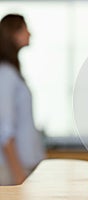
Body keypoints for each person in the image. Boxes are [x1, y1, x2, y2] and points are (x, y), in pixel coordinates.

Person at [0, 14, 45, 185]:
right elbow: (5, 129)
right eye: (25, 28)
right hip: (13, 171)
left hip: (23, 168)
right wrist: (18, 175)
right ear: (12, 34)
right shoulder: (5, 73)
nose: (30, 34)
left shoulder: (12, 72)